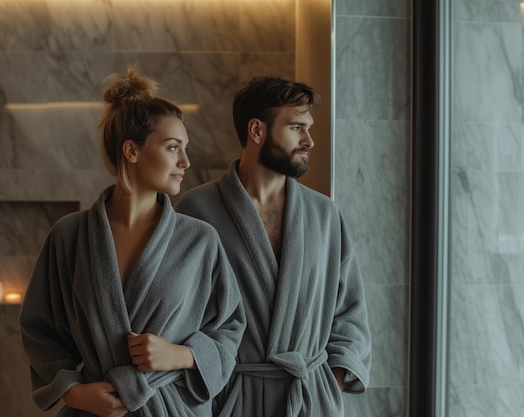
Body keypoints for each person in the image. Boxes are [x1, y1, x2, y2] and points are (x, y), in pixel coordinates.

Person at [19, 65, 245, 417]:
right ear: (132, 151)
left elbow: (230, 328)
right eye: (173, 148)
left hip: (172, 408)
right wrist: (74, 393)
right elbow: (40, 330)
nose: (186, 161)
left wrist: (182, 355)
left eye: (185, 148)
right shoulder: (70, 236)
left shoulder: (200, 240)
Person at [175, 75, 371, 417]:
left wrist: (328, 382)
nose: (309, 140)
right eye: (296, 127)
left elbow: (350, 312)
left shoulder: (324, 214)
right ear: (257, 131)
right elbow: (179, 318)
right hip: (234, 400)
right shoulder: (198, 210)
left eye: (309, 128)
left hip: (308, 400)